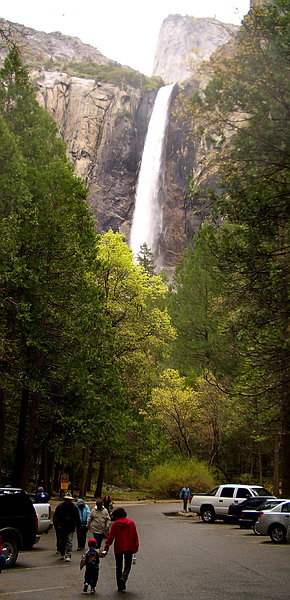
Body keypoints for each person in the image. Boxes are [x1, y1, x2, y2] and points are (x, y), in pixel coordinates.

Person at [103, 507, 139, 592]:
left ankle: (120, 585)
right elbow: (135, 535)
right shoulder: (131, 523)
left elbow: (111, 537)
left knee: (118, 567)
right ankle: (124, 577)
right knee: (127, 565)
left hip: (119, 547)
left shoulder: (115, 524)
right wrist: (136, 546)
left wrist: (106, 546)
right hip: (129, 547)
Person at [53, 493, 80, 562]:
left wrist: (78, 526)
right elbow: (56, 516)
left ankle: (68, 555)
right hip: (62, 527)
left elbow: (77, 518)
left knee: (69, 541)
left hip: (70, 527)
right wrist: (57, 524)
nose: (68, 501)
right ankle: (62, 553)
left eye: (69, 500)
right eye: (66, 500)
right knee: (62, 541)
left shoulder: (74, 508)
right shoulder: (60, 507)